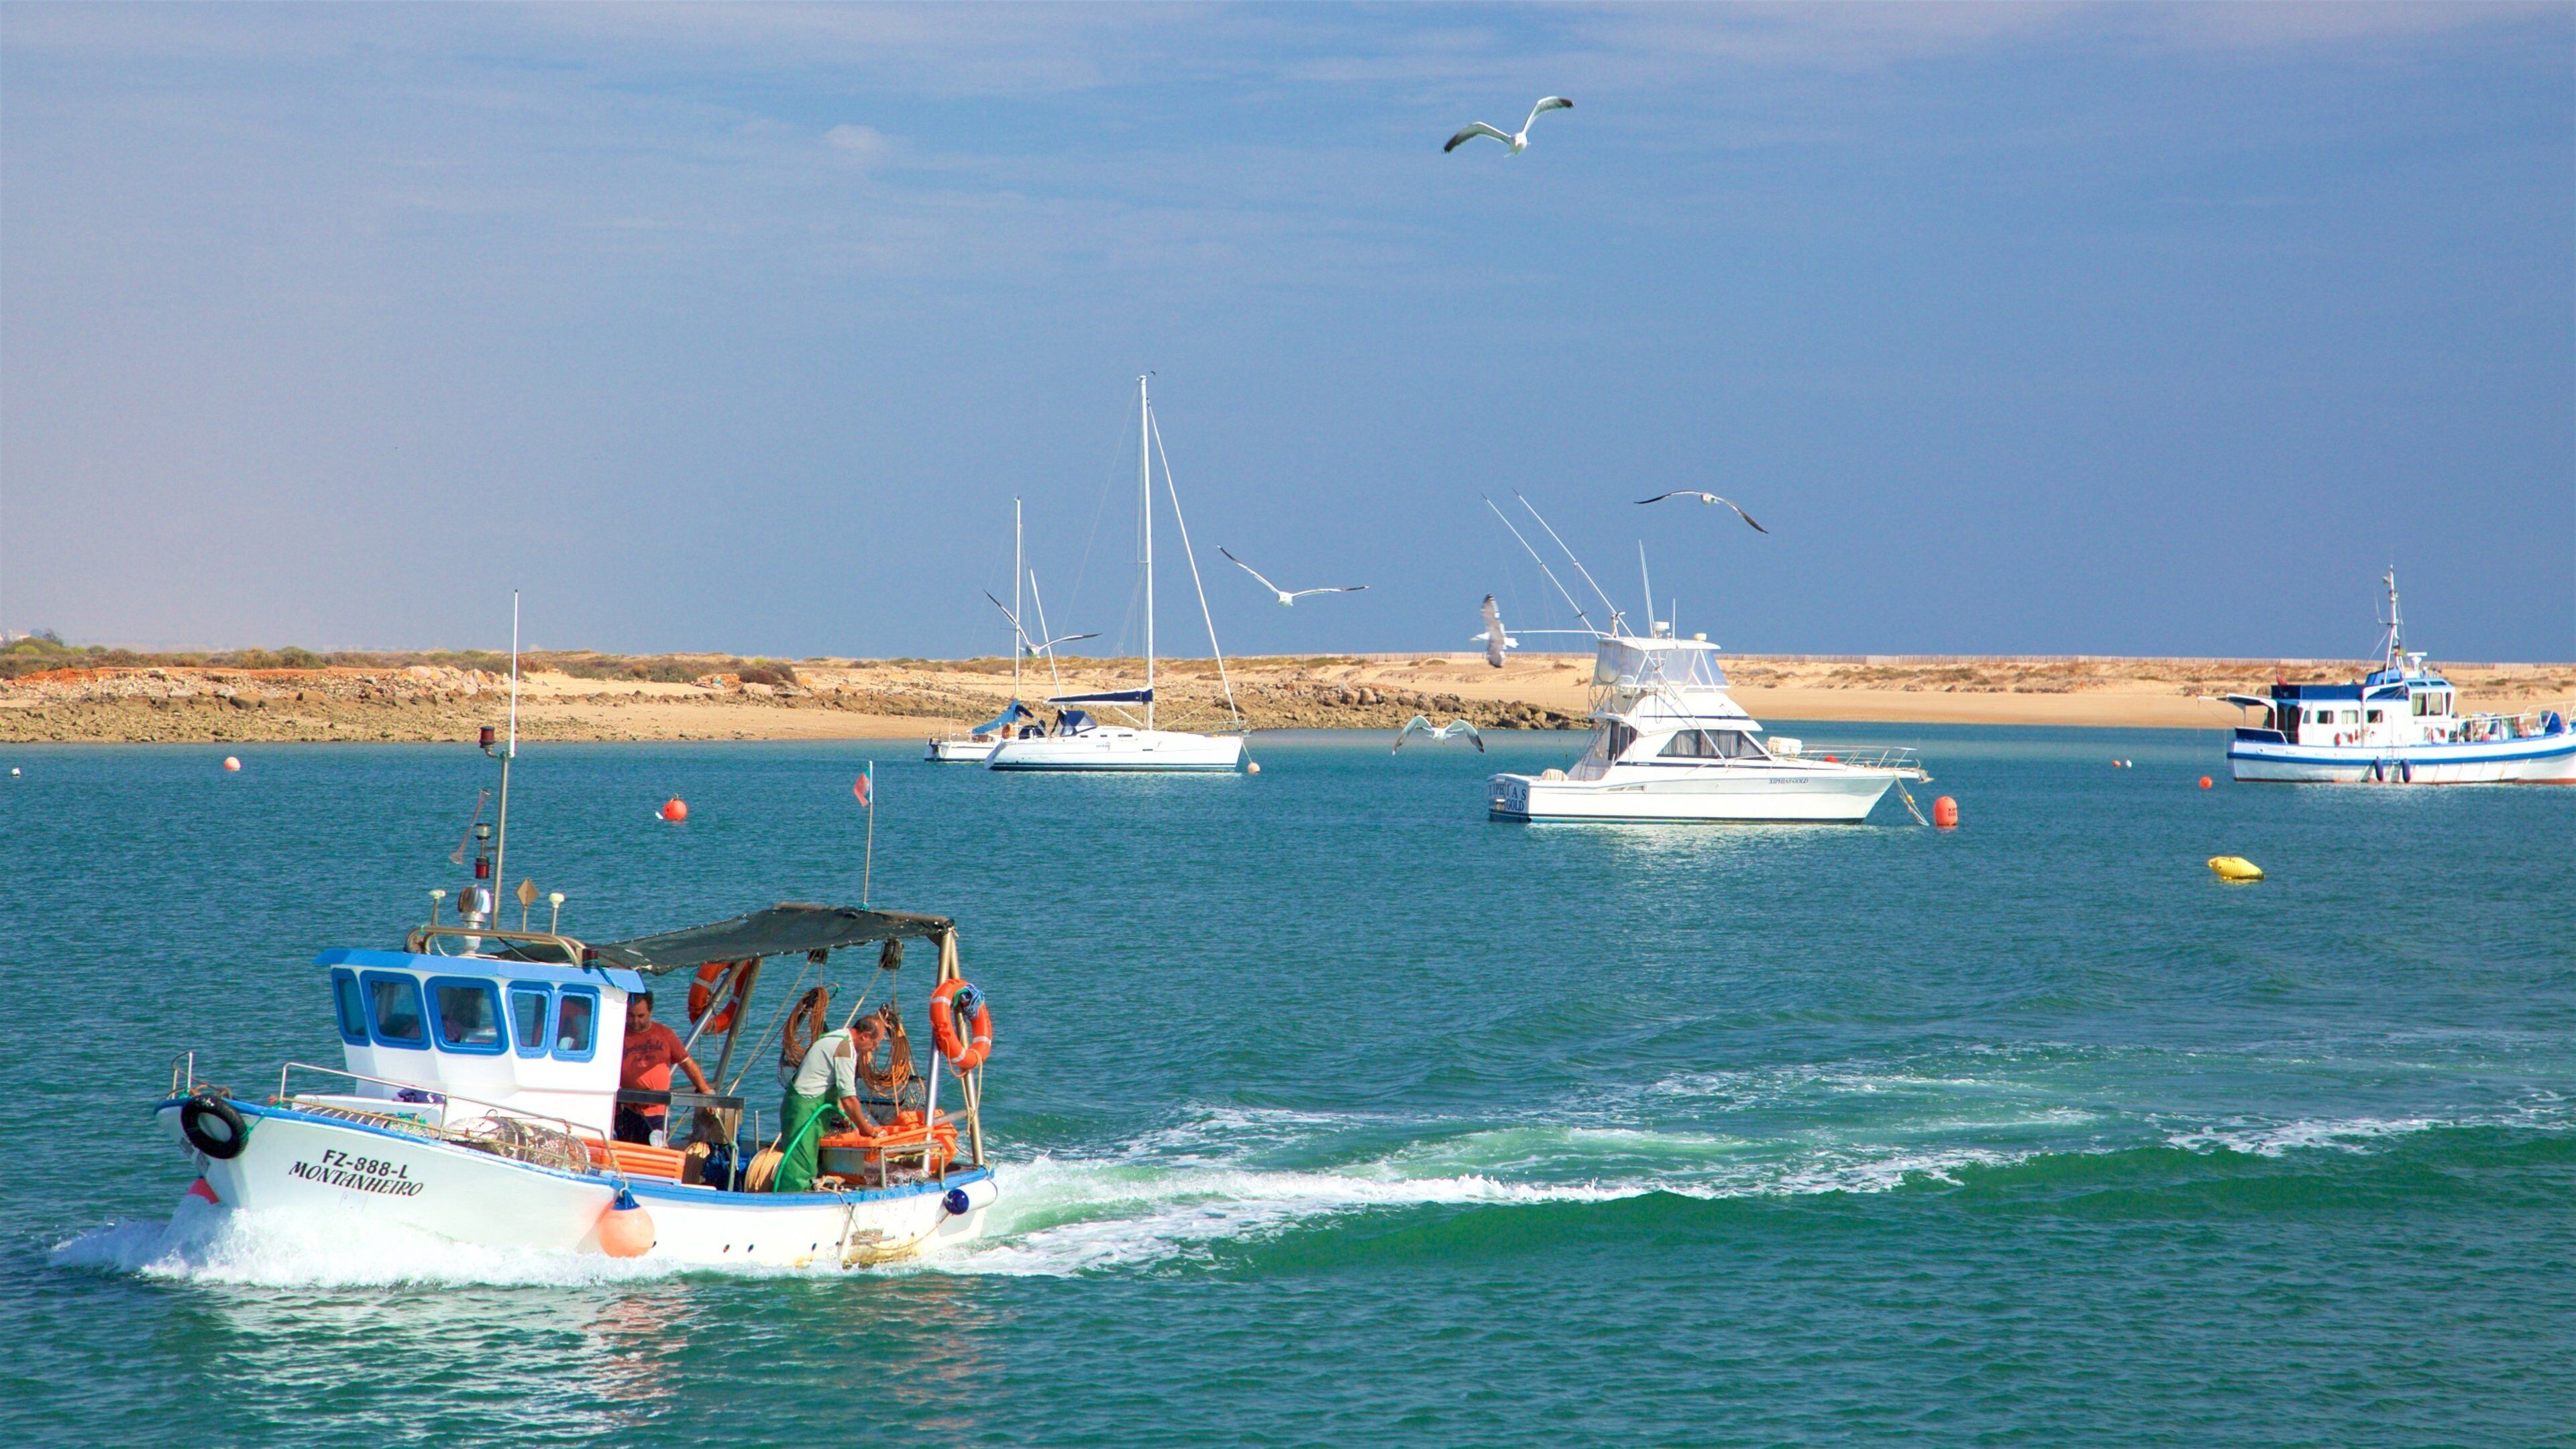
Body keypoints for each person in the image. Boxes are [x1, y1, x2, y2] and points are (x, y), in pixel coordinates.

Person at [773, 1016, 885, 1193]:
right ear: (865, 1036)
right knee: (800, 1165)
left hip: (810, 1107)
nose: (874, 1049)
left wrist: (845, 1115)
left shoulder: (839, 1038)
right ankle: (791, 1200)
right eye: (875, 1044)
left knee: (810, 1159)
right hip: (804, 1109)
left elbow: (834, 1087)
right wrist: (865, 1128)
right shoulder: (844, 1049)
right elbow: (848, 1097)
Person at [615, 991, 712, 1146]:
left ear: (650, 1012)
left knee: (655, 1150)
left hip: (657, 1111)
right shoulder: (618, 1035)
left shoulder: (664, 1034)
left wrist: (706, 1091)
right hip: (627, 1109)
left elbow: (686, 1062)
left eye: (641, 1016)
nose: (635, 1021)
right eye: (631, 1015)